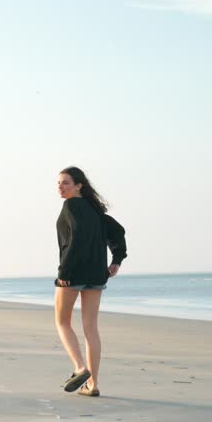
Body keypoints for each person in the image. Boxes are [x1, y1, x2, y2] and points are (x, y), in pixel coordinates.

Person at [54, 166, 127, 397]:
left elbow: (76, 238)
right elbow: (118, 231)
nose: (60, 186)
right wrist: (116, 259)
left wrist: (64, 271)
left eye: (66, 182)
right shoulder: (95, 212)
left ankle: (79, 368)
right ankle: (92, 384)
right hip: (96, 275)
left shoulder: (71, 206)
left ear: (79, 186)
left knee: (62, 321)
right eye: (59, 183)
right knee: (90, 328)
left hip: (73, 274)